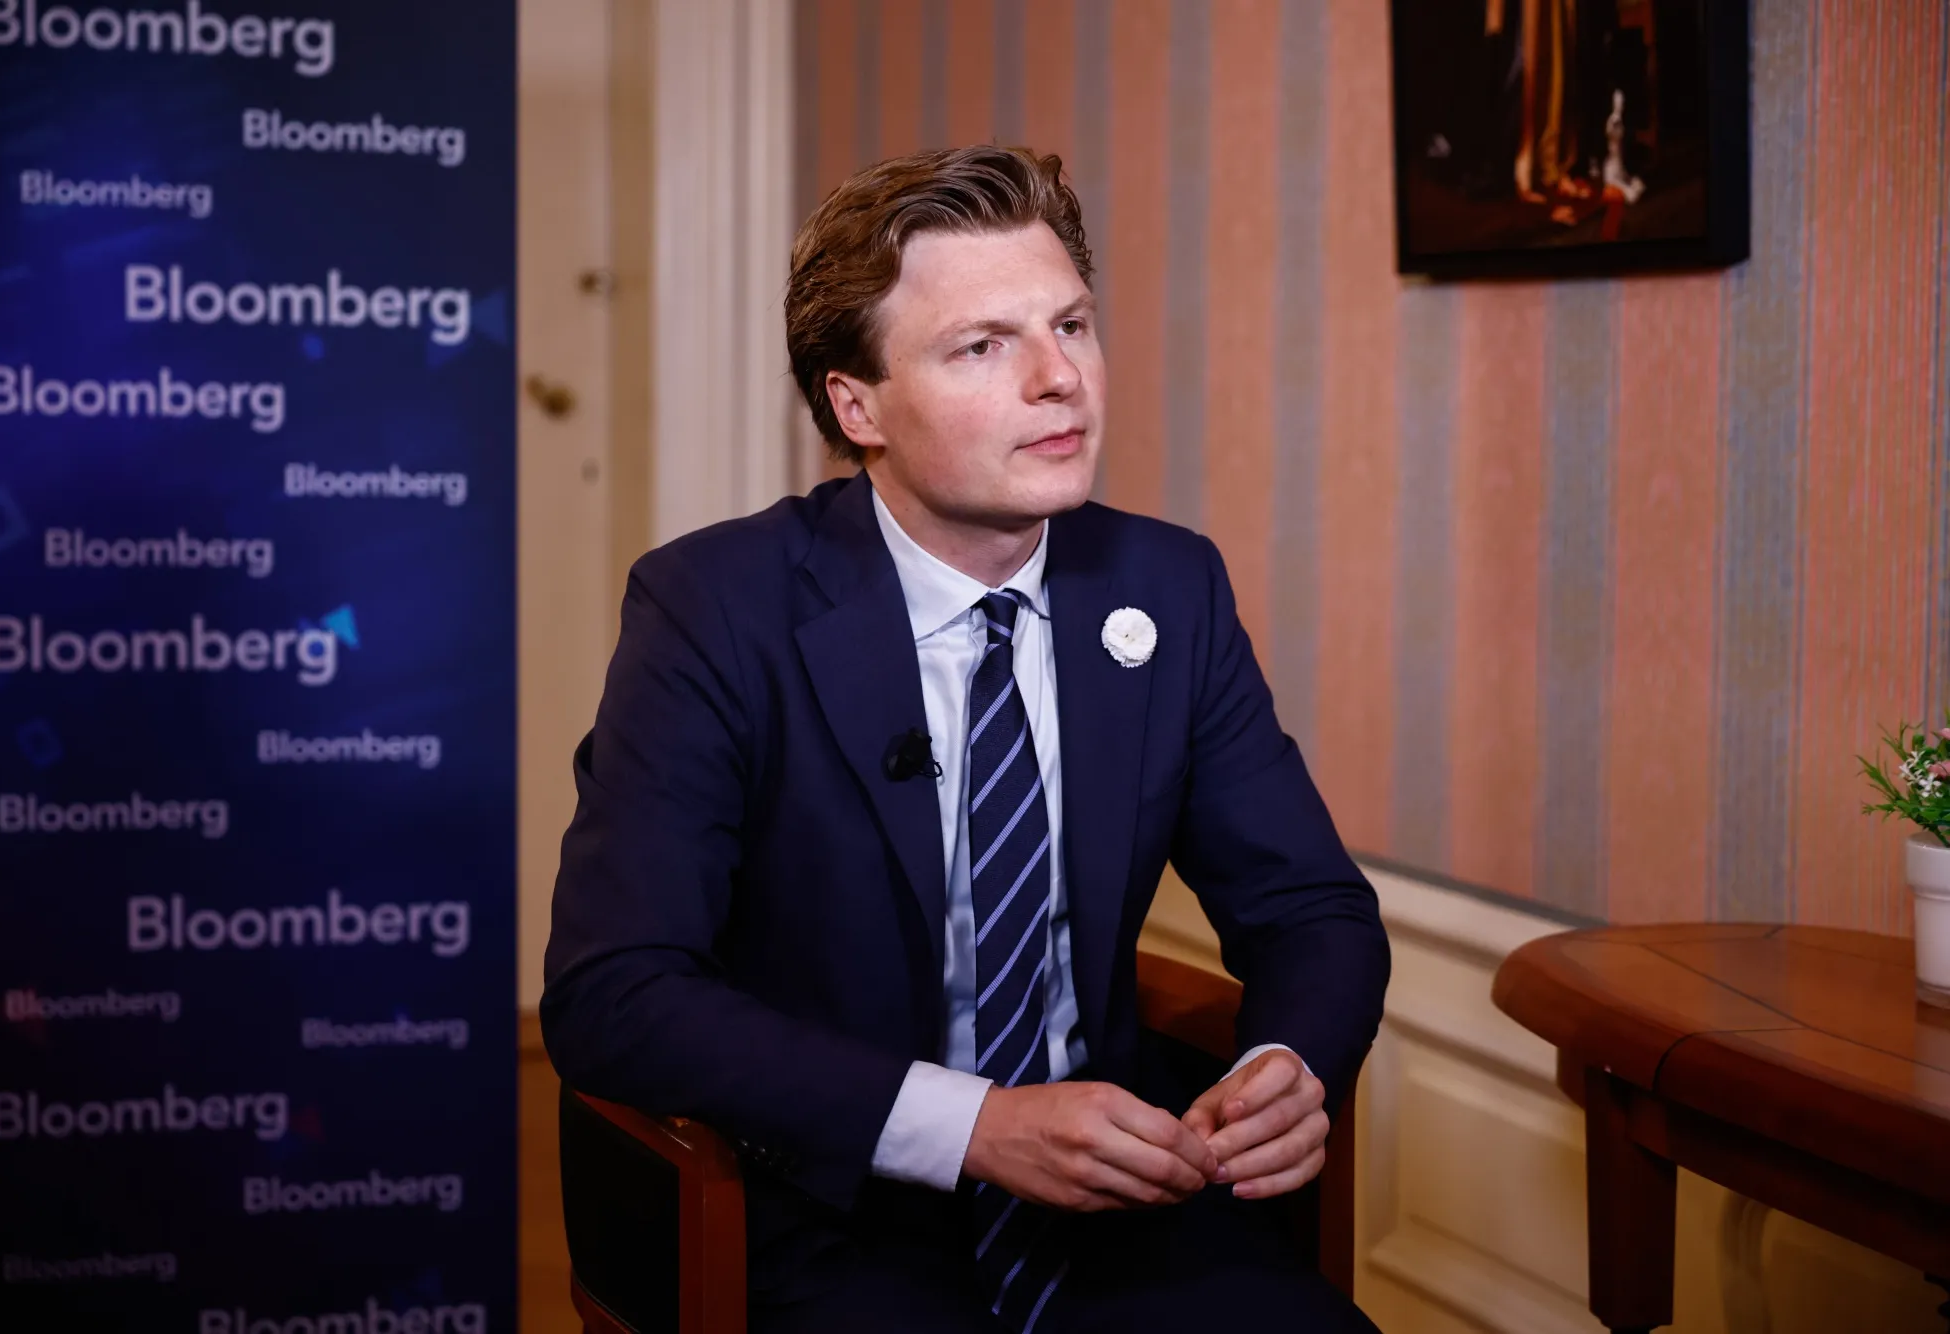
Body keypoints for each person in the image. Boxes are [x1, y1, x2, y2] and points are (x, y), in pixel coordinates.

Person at [543, 145, 1390, 1333]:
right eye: (981, 345)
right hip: (831, 1209)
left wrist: (1289, 1067)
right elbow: (612, 990)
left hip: (1116, 1205)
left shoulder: (1166, 585)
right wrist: (977, 1126)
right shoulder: (715, 606)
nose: (1061, 380)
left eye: (1072, 325)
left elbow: (1311, 908)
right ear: (857, 404)